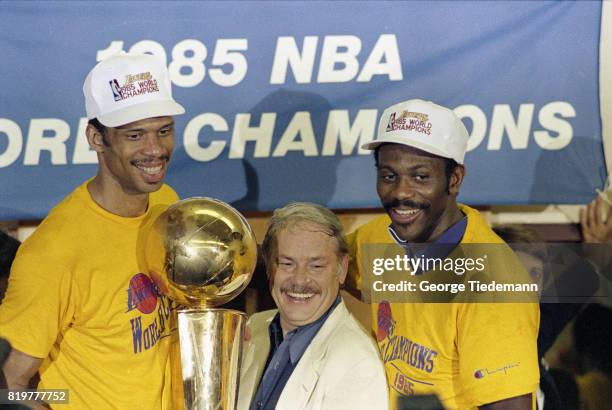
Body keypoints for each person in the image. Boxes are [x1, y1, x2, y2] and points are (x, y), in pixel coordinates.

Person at [0, 53, 185, 408]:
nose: (155, 149)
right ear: (96, 138)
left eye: (164, 130)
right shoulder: (53, 252)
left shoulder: (166, 201)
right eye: (135, 135)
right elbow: (10, 382)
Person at [345, 99, 540, 409]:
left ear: (454, 179)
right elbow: (320, 266)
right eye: (388, 176)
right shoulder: (377, 236)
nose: (401, 193)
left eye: (420, 177)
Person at [238, 202, 389, 410]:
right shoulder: (252, 328)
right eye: (286, 263)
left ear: (342, 269)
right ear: (269, 268)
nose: (300, 280)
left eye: (316, 266)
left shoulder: (357, 363)